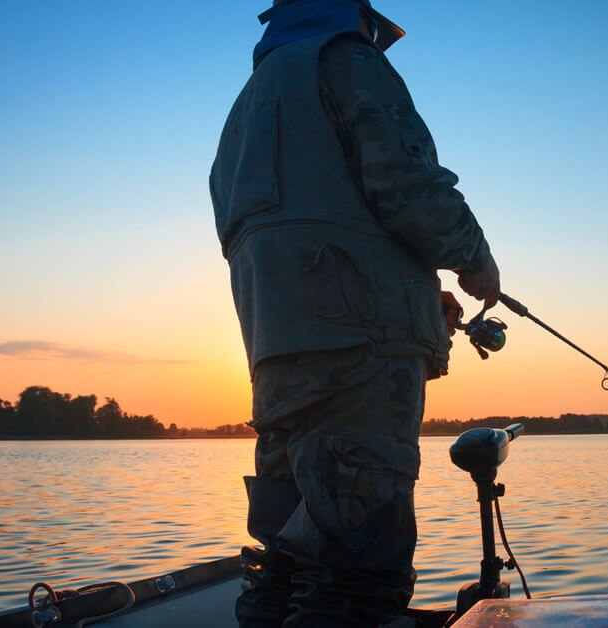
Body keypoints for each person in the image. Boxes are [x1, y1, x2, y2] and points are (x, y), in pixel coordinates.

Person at [209, 0, 501, 625]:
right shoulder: (347, 58)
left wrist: (414, 294)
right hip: (361, 353)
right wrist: (473, 256)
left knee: (284, 557)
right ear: (354, 15)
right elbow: (405, 182)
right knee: (358, 561)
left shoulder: (249, 100)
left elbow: (295, 225)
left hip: (277, 352)